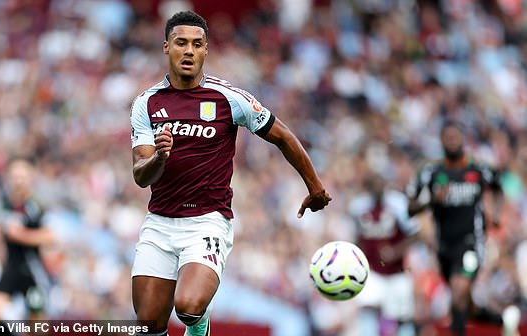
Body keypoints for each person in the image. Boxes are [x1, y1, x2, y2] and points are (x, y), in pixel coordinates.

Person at [129, 10, 332, 336]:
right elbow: (141, 175)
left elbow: (281, 135)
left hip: (207, 220)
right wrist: (160, 157)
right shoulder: (146, 104)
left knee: (188, 307)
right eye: (181, 43)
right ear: (166, 47)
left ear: (207, 50)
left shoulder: (229, 98)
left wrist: (315, 187)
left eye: (197, 44)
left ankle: (201, 325)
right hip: (160, 223)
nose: (189, 51)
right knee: (148, 323)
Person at [405, 121, 507, 335]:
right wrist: (432, 199)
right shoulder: (430, 171)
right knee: (464, 303)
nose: (452, 141)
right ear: (441, 141)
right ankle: (500, 320)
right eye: (447, 138)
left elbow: (498, 187)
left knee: (459, 291)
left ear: (463, 140)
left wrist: (496, 214)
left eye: (456, 137)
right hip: (445, 248)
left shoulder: (479, 169)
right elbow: (411, 208)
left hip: (472, 242)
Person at [0, 158, 56, 321]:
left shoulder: (36, 207)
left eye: (22, 176)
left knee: (37, 324)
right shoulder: (4, 205)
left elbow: (50, 236)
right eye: (15, 176)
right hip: (11, 270)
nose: (18, 181)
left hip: (31, 271)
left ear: (31, 178)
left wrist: (20, 235)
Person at [349, 172, 419, 336]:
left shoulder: (398, 203)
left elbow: (415, 234)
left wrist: (395, 251)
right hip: (372, 271)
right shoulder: (359, 207)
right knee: (367, 309)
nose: (378, 188)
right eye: (374, 184)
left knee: (402, 317)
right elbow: (357, 237)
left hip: (396, 273)